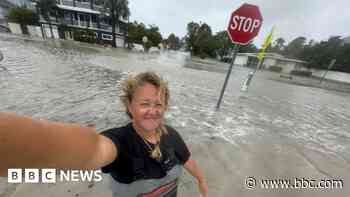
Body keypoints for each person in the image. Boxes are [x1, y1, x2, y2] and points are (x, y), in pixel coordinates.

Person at [0, 71, 208, 197]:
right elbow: (91, 148)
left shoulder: (172, 135)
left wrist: (201, 181)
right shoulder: (119, 142)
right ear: (130, 105)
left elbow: (187, 159)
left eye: (158, 104)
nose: (152, 110)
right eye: (144, 104)